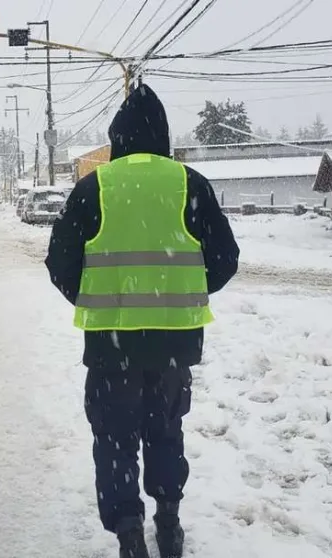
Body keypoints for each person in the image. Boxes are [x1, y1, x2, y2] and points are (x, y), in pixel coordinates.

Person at [45, 84, 239, 558]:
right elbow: (225, 258)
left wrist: (96, 298)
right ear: (163, 136)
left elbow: (59, 262)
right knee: (166, 431)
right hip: (174, 344)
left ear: (118, 139)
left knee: (114, 439)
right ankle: (168, 522)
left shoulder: (95, 187)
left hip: (112, 345)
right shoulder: (189, 183)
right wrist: (184, 293)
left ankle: (130, 533)